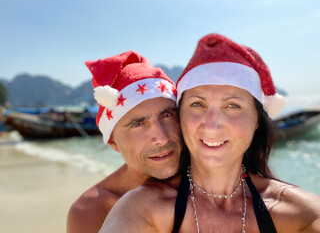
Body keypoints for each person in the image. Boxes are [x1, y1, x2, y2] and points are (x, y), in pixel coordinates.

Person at [99, 34, 320, 233]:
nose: (212, 125)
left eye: (233, 106)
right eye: (197, 105)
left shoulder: (300, 213)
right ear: (181, 116)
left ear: (257, 121)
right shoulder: (141, 209)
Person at [67, 51, 183, 233]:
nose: (161, 138)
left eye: (167, 115)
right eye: (138, 124)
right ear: (113, 142)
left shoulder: (217, 181)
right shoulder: (92, 210)